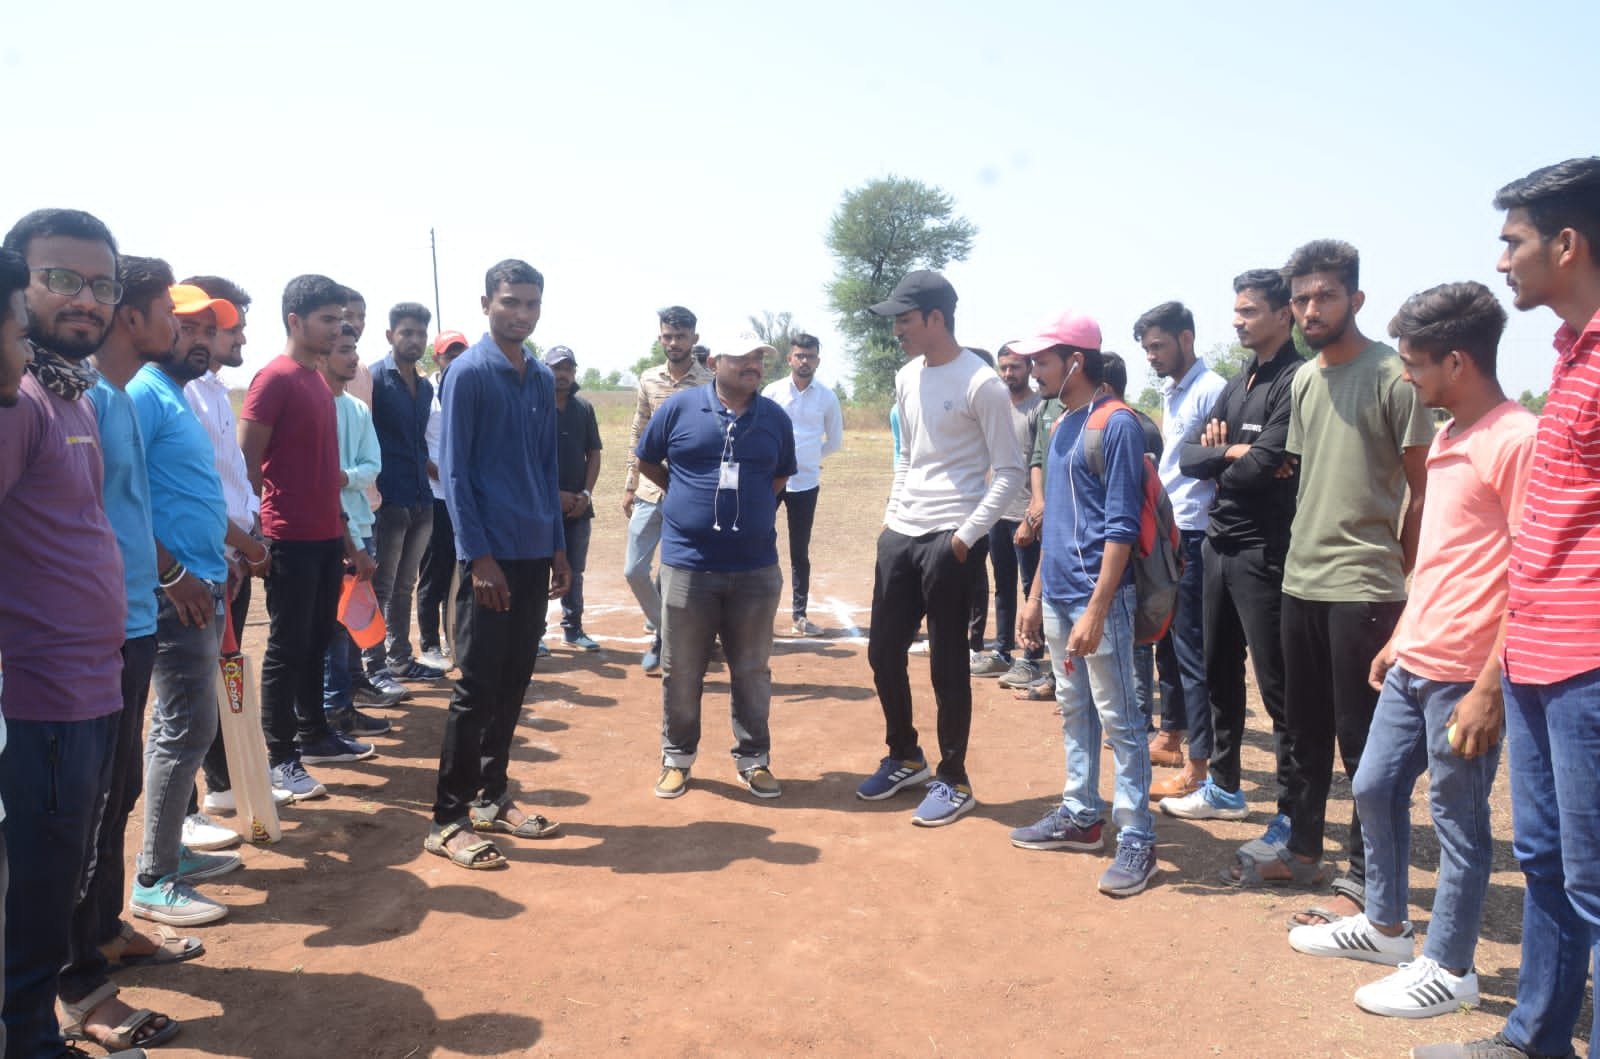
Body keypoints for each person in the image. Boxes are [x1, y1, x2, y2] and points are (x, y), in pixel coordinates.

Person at [1286, 281, 1532, 1019]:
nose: (1405, 376)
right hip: (1416, 657)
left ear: (1457, 361)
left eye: (1416, 363)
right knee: (1372, 784)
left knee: (1458, 820)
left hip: (1464, 675)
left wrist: (1490, 683)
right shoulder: (1450, 436)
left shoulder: (1516, 440)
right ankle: (1387, 927)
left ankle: (1451, 967)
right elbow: (1441, 556)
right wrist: (1400, 635)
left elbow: (1532, 571)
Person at [1416, 157, 1600, 1059]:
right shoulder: (1569, 357)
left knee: (1595, 879)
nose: (1501, 262)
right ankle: (1535, 1039)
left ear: (1566, 244)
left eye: (1512, 241)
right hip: (1535, 655)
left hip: (1590, 663)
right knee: (1547, 861)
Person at [1226, 241, 1433, 929]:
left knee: (1362, 741)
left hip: (1364, 585)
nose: (1311, 310)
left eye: (1325, 296)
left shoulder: (1393, 376)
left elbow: (1423, 490)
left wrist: (1401, 575)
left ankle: (1366, 879)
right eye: (1302, 299)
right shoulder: (1306, 381)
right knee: (1301, 730)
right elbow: (1299, 476)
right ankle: (1303, 850)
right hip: (1301, 577)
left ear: (1356, 299)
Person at [0, 208, 144, 1057]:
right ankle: (26, 1037)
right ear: (19, 284)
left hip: (93, 679)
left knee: (64, 874)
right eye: (61, 279)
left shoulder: (68, 393)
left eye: (101, 284)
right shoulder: (17, 399)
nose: (85, 299)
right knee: (36, 886)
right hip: (42, 693)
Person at [66, 255, 187, 1052]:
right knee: (83, 807)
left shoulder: (114, 396)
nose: (175, 323)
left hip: (135, 617)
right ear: (133, 319)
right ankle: (75, 982)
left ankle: (104, 930)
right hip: (95, 629)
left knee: (117, 792)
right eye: (166, 310)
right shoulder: (78, 397)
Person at [856, 271, 1023, 826]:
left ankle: (954, 778)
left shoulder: (982, 383)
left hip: (951, 540)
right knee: (883, 653)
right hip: (902, 533)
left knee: (948, 664)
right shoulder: (907, 376)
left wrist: (964, 537)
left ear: (935, 318)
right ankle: (905, 756)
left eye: (904, 320)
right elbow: (908, 454)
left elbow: (1009, 472)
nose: (897, 331)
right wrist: (892, 518)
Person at [1010, 311, 1158, 897]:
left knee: (1122, 720)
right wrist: (1034, 596)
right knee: (1075, 710)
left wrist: (1098, 608)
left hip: (1101, 600)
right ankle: (1081, 815)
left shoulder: (1116, 423)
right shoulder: (1063, 422)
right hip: (1058, 595)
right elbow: (1055, 521)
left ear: (1076, 361)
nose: (1033, 370)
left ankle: (1137, 836)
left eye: (1042, 361)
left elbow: (1121, 526)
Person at [426, 259, 568, 871]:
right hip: (490, 558)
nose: (521, 313)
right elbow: (455, 473)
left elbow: (546, 466)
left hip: (534, 550)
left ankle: (491, 797)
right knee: (477, 687)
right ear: (486, 303)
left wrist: (558, 546)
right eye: (510, 302)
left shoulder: (539, 376)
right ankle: (447, 819)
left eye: (531, 303)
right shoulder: (469, 373)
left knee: (513, 683)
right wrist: (477, 556)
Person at [127, 283, 252, 931]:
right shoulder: (144, 394)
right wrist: (173, 572)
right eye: (189, 327)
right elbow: (121, 497)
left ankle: (169, 849)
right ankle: (154, 878)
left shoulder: (175, 395)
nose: (202, 340)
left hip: (200, 582)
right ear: (160, 327)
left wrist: (228, 553)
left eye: (211, 329)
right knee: (185, 728)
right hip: (173, 593)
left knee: (179, 727)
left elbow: (187, 493)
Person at [1165, 270, 1304, 826]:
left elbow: (1264, 466)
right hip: (1218, 544)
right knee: (1219, 671)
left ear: (1282, 314)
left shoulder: (1296, 380)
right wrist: (1231, 454)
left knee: (1278, 687)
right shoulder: (1241, 379)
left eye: (1249, 311)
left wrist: (1234, 458)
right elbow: (1187, 458)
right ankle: (1224, 789)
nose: (1237, 321)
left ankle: (1293, 816)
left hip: (1264, 550)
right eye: (1237, 310)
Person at [639, 332, 796, 799]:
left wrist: (747, 512)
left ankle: (753, 759)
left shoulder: (774, 418)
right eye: (742, 357)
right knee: (682, 670)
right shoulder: (679, 409)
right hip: (688, 565)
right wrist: (686, 497)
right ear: (714, 362)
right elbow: (648, 460)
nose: (753, 365)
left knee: (751, 670)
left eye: (759, 358)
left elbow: (780, 476)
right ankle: (677, 758)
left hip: (755, 567)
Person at [240, 275, 377, 802]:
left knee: (318, 641)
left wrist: (349, 541)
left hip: (325, 538)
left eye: (341, 318)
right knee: (287, 647)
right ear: (294, 321)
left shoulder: (318, 382)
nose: (337, 328)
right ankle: (281, 758)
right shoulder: (274, 379)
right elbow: (247, 464)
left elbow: (324, 475)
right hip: (288, 538)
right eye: (327, 319)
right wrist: (256, 536)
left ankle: (315, 735)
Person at [180, 275, 305, 816]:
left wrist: (248, 536)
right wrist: (240, 545)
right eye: (233, 329)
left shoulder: (214, 390)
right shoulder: (182, 393)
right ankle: (184, 814)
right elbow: (194, 489)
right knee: (189, 690)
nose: (242, 339)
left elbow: (233, 478)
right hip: (202, 558)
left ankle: (227, 781)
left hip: (231, 553)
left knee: (223, 670)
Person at [1136, 302, 1226, 802]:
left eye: (1159, 346)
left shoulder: (1212, 390)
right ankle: (1171, 735)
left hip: (1195, 532)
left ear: (1186, 339)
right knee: (1167, 642)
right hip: (1170, 531)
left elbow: (1214, 462)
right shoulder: (1174, 391)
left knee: (1192, 651)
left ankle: (1199, 768)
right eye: (1147, 348)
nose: (1152, 356)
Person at [622, 306, 712, 674]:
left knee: (684, 572)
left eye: (681, 336)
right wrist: (630, 485)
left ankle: (671, 642)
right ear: (660, 338)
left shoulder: (710, 382)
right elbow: (638, 430)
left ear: (694, 338)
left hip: (691, 492)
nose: (673, 343)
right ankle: (666, 631)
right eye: (668, 336)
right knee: (634, 569)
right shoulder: (648, 379)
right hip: (649, 488)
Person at [367, 302, 444, 686]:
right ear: (390, 335)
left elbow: (420, 443)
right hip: (388, 499)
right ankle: (373, 665)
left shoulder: (426, 386)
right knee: (381, 586)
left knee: (405, 585)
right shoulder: (375, 379)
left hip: (421, 497)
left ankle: (400, 659)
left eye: (421, 334)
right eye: (407, 332)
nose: (415, 340)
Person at [319, 324, 390, 738]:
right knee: (330, 626)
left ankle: (343, 703)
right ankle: (331, 709)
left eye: (354, 349)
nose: (353, 358)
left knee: (352, 619)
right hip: (324, 530)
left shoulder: (358, 410)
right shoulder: (311, 404)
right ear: (321, 354)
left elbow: (371, 465)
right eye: (343, 350)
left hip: (360, 526)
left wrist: (343, 477)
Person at [762, 331, 843, 637]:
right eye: (799, 355)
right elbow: (759, 430)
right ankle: (759, 613)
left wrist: (807, 458)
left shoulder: (827, 397)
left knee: (800, 551)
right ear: (790, 359)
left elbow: (834, 441)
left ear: (817, 361)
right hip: (770, 481)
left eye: (810, 356)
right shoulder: (772, 392)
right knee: (759, 542)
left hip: (806, 483)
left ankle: (800, 615)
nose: (804, 361)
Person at [1097, 353, 1162, 724]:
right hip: (1131, 541)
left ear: (1103, 387)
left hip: (1136, 544)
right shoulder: (1136, 422)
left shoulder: (1127, 425)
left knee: (1137, 637)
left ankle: (1139, 713)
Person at [976, 344, 1043, 683]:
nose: (1008, 373)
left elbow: (1041, 464)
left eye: (1015, 367)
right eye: (1003, 367)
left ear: (1029, 367)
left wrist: (1033, 515)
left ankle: (1031, 658)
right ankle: (1002, 652)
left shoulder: (1040, 408)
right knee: (1002, 585)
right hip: (997, 512)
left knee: (1033, 589)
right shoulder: (997, 406)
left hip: (1026, 516)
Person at [546, 345, 603, 652]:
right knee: (536, 569)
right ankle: (534, 633)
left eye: (568, 368)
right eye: (556, 368)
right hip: (541, 506)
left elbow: (593, 453)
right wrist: (552, 495)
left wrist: (586, 494)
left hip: (578, 508)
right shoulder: (533, 406)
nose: (562, 374)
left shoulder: (583, 408)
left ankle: (573, 627)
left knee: (574, 570)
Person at [418, 330, 469, 672]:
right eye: (449, 354)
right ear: (437, 358)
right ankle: (430, 643)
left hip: (463, 497)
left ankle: (455, 636)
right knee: (433, 573)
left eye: (461, 354)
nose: (455, 360)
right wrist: (440, 474)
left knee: (460, 571)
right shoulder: (427, 393)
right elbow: (416, 443)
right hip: (435, 495)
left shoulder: (470, 388)